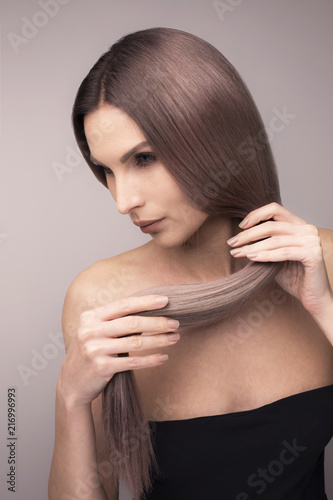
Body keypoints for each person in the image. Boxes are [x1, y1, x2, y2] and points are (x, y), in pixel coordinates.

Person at [48, 27, 333, 500]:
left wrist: (323, 307)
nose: (123, 201)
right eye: (107, 170)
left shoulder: (320, 260)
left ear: (212, 136)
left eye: (143, 158)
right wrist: (70, 399)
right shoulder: (102, 297)